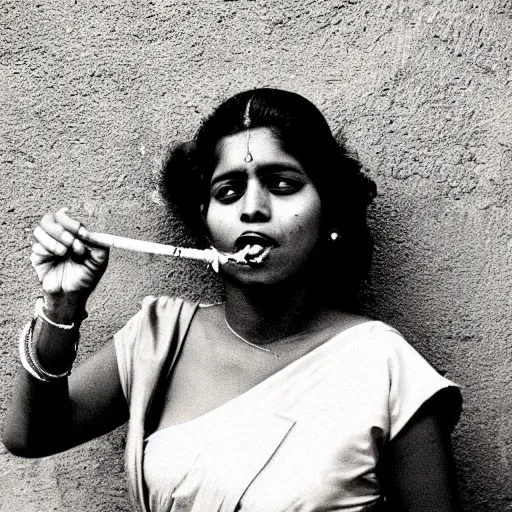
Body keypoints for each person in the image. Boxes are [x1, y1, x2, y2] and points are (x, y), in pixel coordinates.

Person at [3, 88, 463, 511]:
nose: (252, 208)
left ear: (331, 212)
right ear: (205, 222)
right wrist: (61, 305)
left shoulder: (384, 366)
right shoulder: (161, 337)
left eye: (282, 184)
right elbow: (30, 436)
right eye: (228, 191)